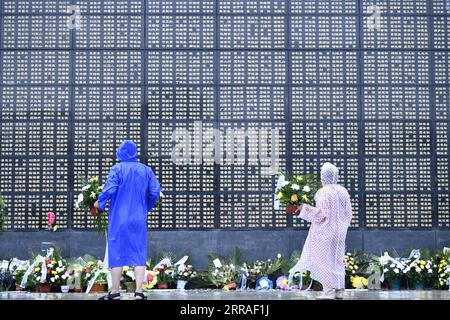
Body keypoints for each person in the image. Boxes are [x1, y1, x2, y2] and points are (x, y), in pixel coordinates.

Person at [93, 140, 160, 300]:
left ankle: (115, 292)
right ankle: (139, 292)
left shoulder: (117, 169)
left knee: (116, 253)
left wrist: (99, 203)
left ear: (120, 153)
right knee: (139, 253)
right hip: (138, 218)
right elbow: (155, 191)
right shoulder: (146, 170)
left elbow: (110, 189)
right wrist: (147, 206)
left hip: (119, 218)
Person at [290, 162, 353, 300]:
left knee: (324, 260)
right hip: (340, 233)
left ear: (323, 176)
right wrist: (341, 226)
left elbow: (321, 214)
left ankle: (329, 291)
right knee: (337, 259)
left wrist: (303, 208)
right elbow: (349, 214)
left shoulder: (323, 192)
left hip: (325, 232)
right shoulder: (343, 191)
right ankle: (339, 290)